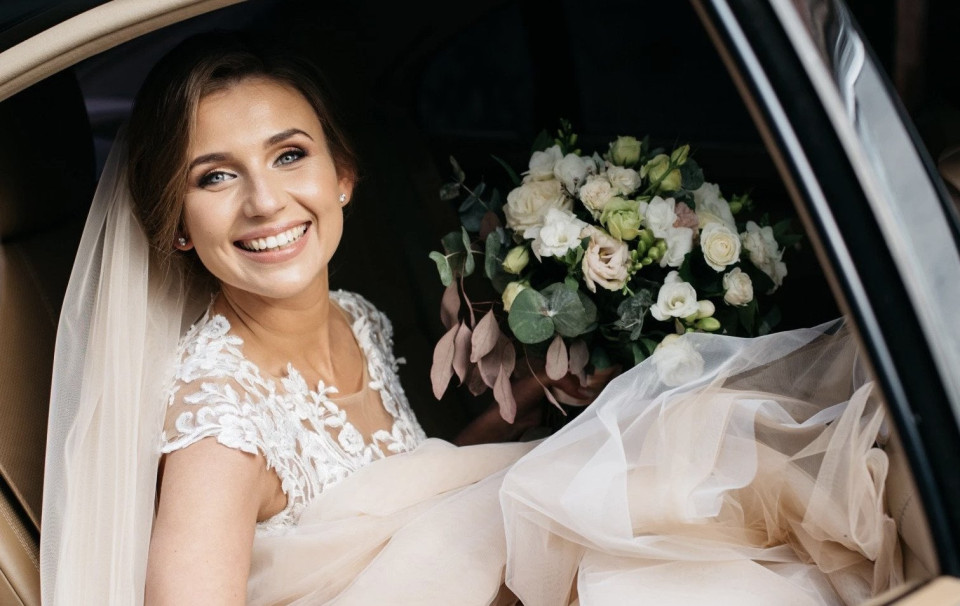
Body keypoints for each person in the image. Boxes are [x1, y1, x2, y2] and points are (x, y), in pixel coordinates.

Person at [41, 32, 903, 605]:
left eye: (289, 155)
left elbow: (399, 499)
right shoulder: (218, 420)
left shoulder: (353, 316)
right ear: (176, 226)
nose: (267, 202)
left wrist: (514, 413)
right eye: (214, 176)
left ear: (343, 176)